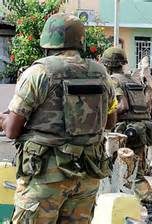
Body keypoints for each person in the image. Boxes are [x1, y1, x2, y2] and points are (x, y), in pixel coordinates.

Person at [0, 13, 117, 223]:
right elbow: (110, 122)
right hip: (87, 174)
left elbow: (11, 130)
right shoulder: (102, 73)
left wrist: (2, 120)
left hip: (46, 177)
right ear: (80, 40)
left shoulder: (39, 73)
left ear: (47, 41)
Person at [101, 47, 152, 224]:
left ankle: (151, 213)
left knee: (130, 175)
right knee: (133, 172)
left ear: (107, 65)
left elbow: (122, 106)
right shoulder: (133, 80)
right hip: (140, 131)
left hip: (125, 133)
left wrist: (102, 116)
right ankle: (132, 208)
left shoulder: (113, 80)